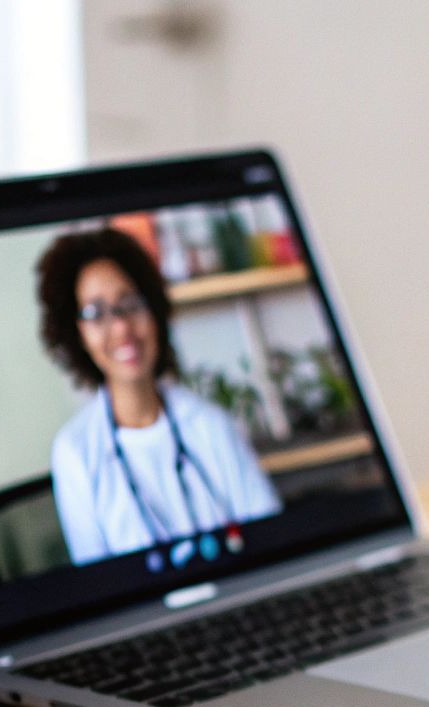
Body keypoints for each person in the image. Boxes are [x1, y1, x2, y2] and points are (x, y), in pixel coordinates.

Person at [37, 227, 282, 565]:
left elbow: (275, 544)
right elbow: (98, 585)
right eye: (95, 313)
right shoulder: (75, 451)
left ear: (154, 311)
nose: (122, 328)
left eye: (131, 304)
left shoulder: (211, 425)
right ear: (75, 333)